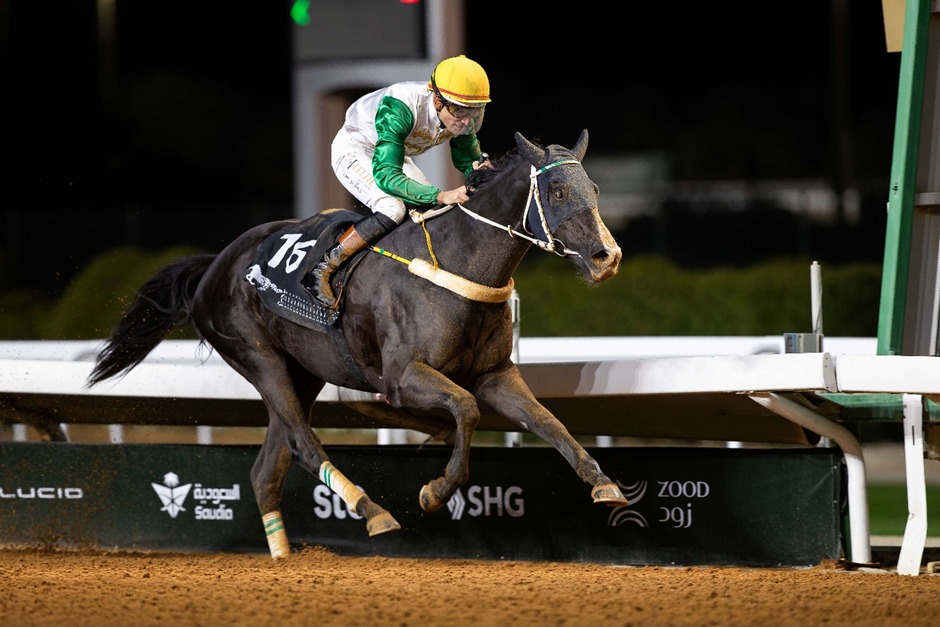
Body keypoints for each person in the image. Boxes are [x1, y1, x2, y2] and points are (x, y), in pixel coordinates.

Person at [307, 55, 492, 309]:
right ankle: (322, 269)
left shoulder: (461, 115)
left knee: (431, 211)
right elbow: (387, 175)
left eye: (474, 111)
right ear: (437, 100)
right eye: (459, 110)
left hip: (394, 154)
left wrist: (483, 172)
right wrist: (441, 194)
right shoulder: (400, 106)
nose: (466, 120)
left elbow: (468, 158)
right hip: (356, 148)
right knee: (392, 208)